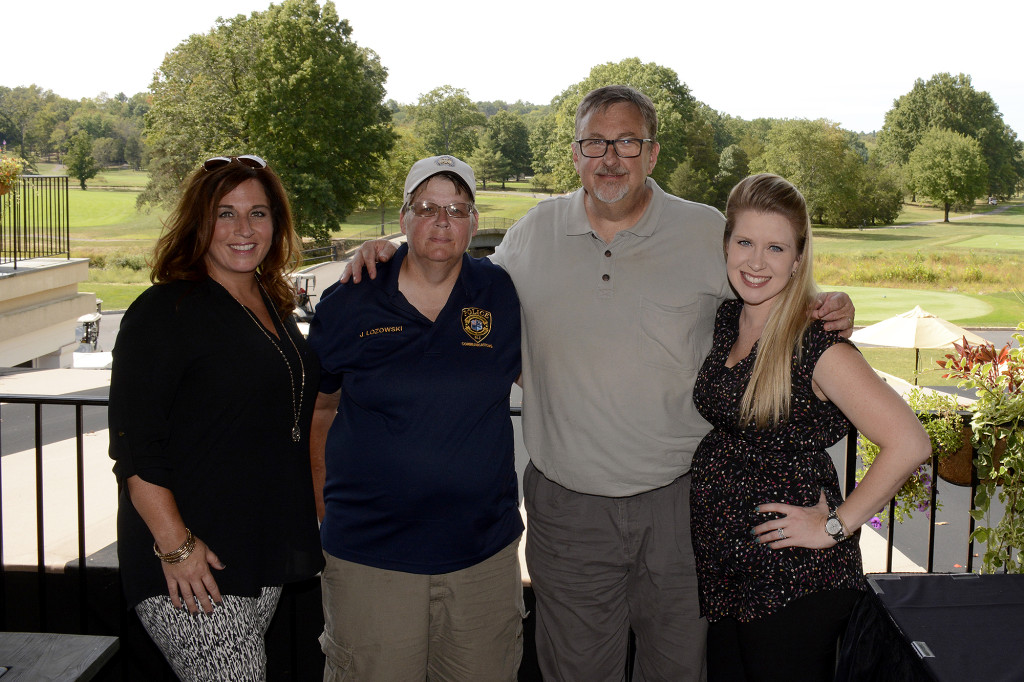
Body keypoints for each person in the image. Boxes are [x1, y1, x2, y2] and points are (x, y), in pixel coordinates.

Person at [343, 86, 856, 681]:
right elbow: (455, 279)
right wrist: (390, 252)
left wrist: (827, 303)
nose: (610, 158)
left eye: (627, 142)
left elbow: (768, 278)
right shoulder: (534, 233)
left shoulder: (704, 232)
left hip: (680, 508)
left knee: (678, 670)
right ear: (575, 152)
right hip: (568, 513)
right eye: (595, 143)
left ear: (653, 153)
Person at [690, 173, 931, 681]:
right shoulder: (728, 318)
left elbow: (909, 442)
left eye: (776, 247)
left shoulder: (817, 345)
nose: (756, 262)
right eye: (744, 242)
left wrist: (833, 527)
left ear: (798, 258)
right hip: (731, 575)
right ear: (726, 244)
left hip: (794, 579)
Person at [308, 155, 525, 681]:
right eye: (427, 207)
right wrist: (322, 508)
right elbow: (320, 408)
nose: (442, 221)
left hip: (482, 558)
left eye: (457, 208)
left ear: (474, 222)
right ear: (403, 219)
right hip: (370, 559)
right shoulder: (351, 298)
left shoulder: (499, 292)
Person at [108, 155, 323, 681]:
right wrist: (176, 547)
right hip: (187, 562)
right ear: (199, 223)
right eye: (225, 214)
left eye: (258, 213)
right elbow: (136, 448)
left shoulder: (271, 303)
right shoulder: (164, 311)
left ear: (277, 223)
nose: (244, 230)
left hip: (258, 548)